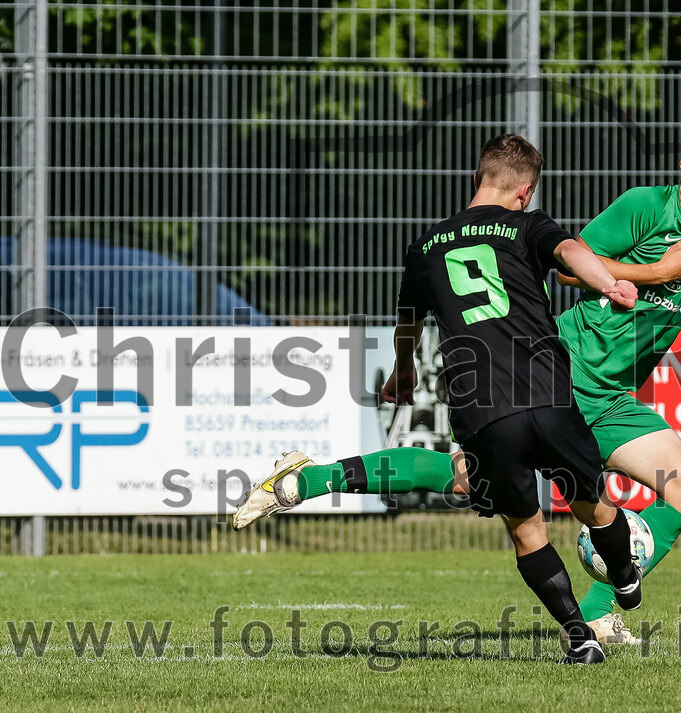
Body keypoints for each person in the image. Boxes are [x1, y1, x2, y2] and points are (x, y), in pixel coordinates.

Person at [237, 114, 681, 645]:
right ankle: (312, 479)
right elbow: (571, 267)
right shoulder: (644, 207)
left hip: (612, 397)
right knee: (468, 479)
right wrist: (655, 272)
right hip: (565, 369)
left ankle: (596, 611)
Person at [234, 133, 644, 665]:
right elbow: (570, 252)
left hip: (482, 408)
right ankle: (625, 577)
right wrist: (608, 282)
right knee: (595, 506)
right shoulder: (527, 224)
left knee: (522, 527)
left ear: (477, 178)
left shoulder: (425, 246)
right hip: (546, 393)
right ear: (525, 192)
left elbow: (407, 323)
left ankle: (580, 638)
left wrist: (403, 372)